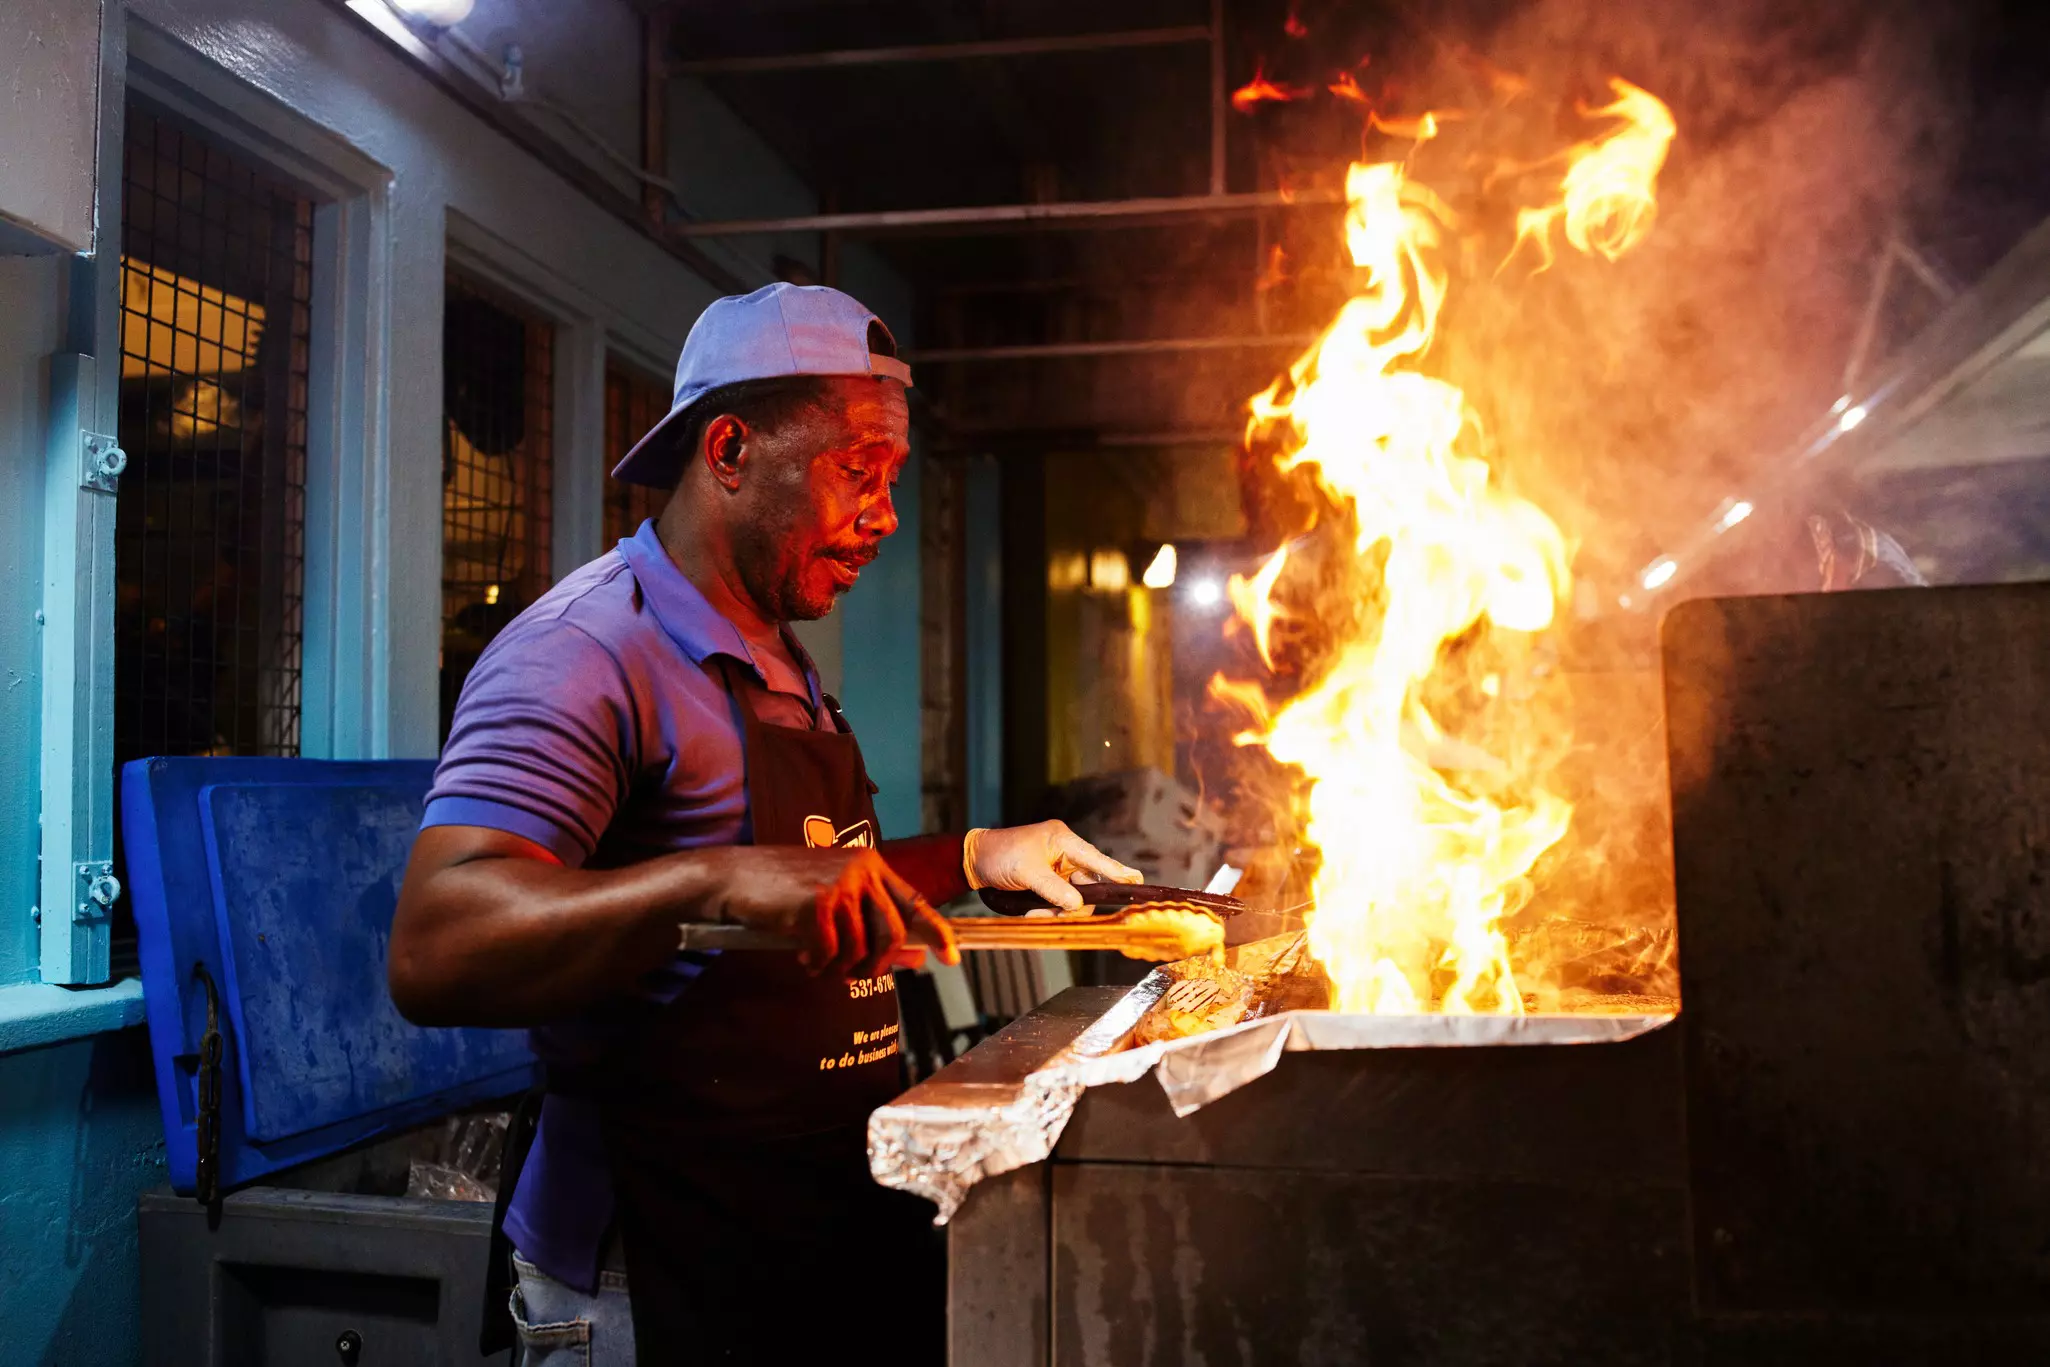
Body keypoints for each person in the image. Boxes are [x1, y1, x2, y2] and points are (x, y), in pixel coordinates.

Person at [387, 283, 1138, 1365]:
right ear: (731, 448)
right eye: (855, 471)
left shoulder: (780, 654)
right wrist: (711, 880)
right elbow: (435, 939)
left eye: (891, 477)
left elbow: (823, 883)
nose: (882, 513)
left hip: (806, 1227)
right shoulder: (587, 651)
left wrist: (977, 855)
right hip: (648, 1264)